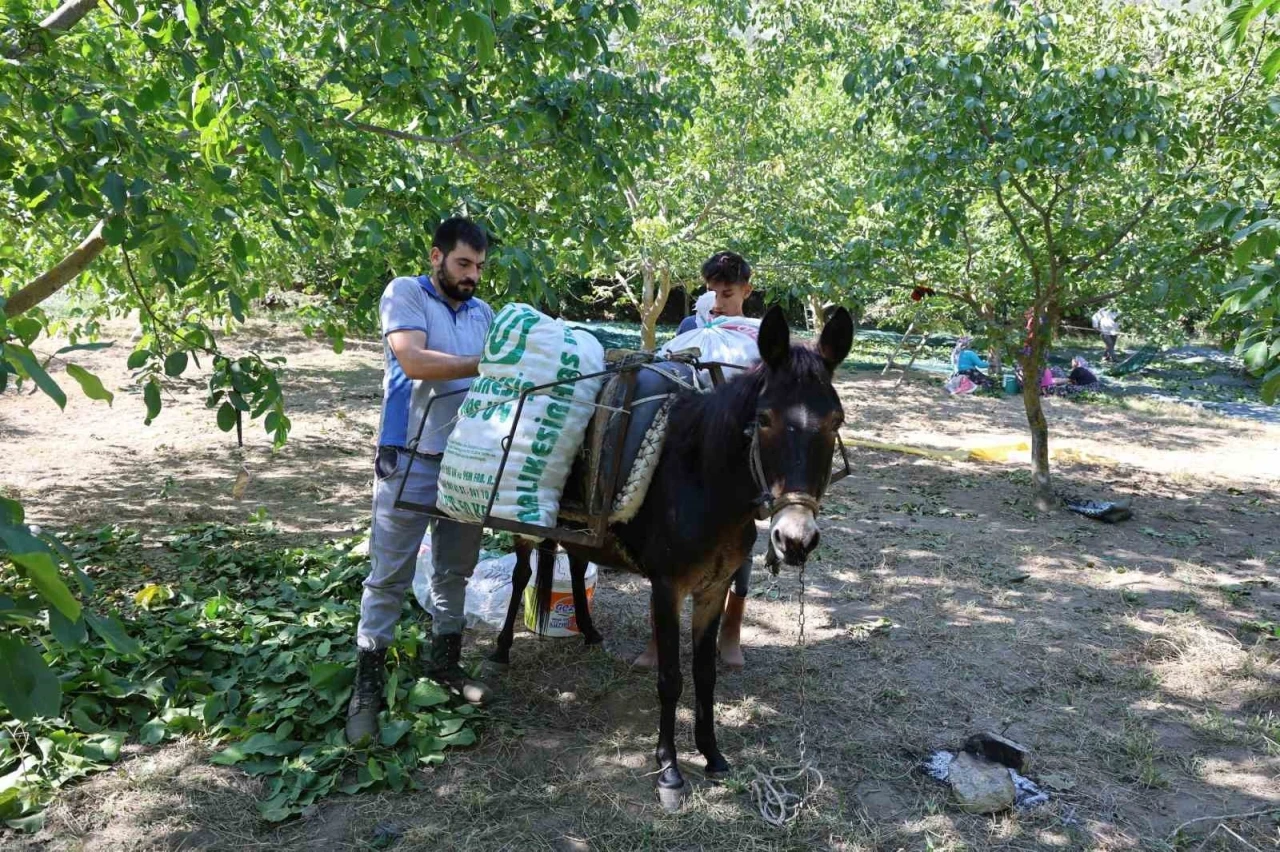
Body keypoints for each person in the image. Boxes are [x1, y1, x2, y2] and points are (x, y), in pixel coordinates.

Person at [346, 218, 496, 745]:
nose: (472, 275)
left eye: (478, 266)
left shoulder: (484, 314)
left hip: (465, 464)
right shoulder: (405, 294)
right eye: (463, 264)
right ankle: (366, 687)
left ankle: (446, 667)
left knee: (455, 570)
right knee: (389, 572)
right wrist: (486, 366)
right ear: (436, 256)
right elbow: (411, 359)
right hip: (408, 457)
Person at [637, 250, 755, 670]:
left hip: (735, 456)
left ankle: (730, 632)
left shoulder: (757, 338)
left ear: (746, 289)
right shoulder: (692, 328)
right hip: (690, 448)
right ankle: (657, 640)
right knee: (668, 543)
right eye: (712, 293)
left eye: (728, 293)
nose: (719, 303)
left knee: (737, 544)